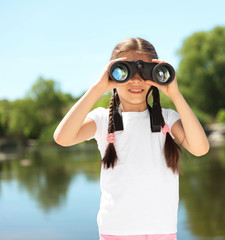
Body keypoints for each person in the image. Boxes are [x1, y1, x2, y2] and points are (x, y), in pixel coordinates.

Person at [53, 37, 209, 240]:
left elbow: (200, 148)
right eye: (124, 71)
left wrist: (175, 94)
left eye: (144, 72)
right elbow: (63, 138)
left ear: (157, 75)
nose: (136, 79)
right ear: (112, 74)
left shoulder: (167, 119)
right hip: (116, 232)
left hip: (161, 232)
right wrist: (98, 88)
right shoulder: (102, 119)